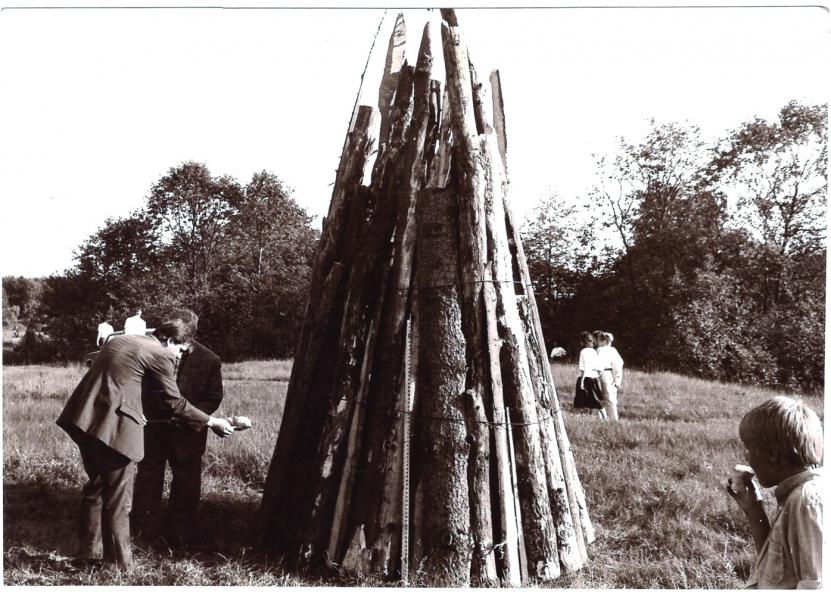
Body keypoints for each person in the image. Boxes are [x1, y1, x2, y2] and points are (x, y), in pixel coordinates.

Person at [56, 319, 236, 571]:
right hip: (113, 427)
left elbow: (120, 382)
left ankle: (88, 552)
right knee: (119, 497)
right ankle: (118, 566)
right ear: (170, 341)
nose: (179, 356)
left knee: (97, 485)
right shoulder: (160, 354)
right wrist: (212, 421)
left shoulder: (120, 341)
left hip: (82, 420)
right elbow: (176, 403)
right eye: (181, 350)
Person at [133, 308, 224, 548]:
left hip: (188, 434)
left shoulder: (210, 361)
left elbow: (213, 398)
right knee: (148, 479)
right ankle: (143, 531)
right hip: (152, 428)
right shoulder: (151, 352)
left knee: (186, 483)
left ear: (190, 337)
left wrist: (190, 418)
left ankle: (179, 536)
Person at [727, 396, 822, 589]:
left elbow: (816, 586)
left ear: (772, 454)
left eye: (748, 449)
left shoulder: (806, 501)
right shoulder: (794, 496)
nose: (746, 457)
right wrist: (754, 511)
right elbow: (779, 568)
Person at [573, 331, 604, 418]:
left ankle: (579, 415)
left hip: (586, 377)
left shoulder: (583, 352)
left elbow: (584, 368)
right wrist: (597, 375)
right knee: (595, 398)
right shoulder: (594, 351)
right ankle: (604, 417)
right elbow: (599, 367)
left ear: (583, 342)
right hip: (594, 377)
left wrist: (582, 381)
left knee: (580, 398)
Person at [595, 331, 624, 421]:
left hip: (602, 374)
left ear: (604, 341)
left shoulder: (600, 350)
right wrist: (617, 380)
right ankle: (613, 419)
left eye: (599, 340)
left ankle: (604, 419)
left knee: (600, 398)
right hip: (610, 375)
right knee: (611, 398)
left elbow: (597, 364)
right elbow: (618, 366)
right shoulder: (613, 351)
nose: (598, 343)